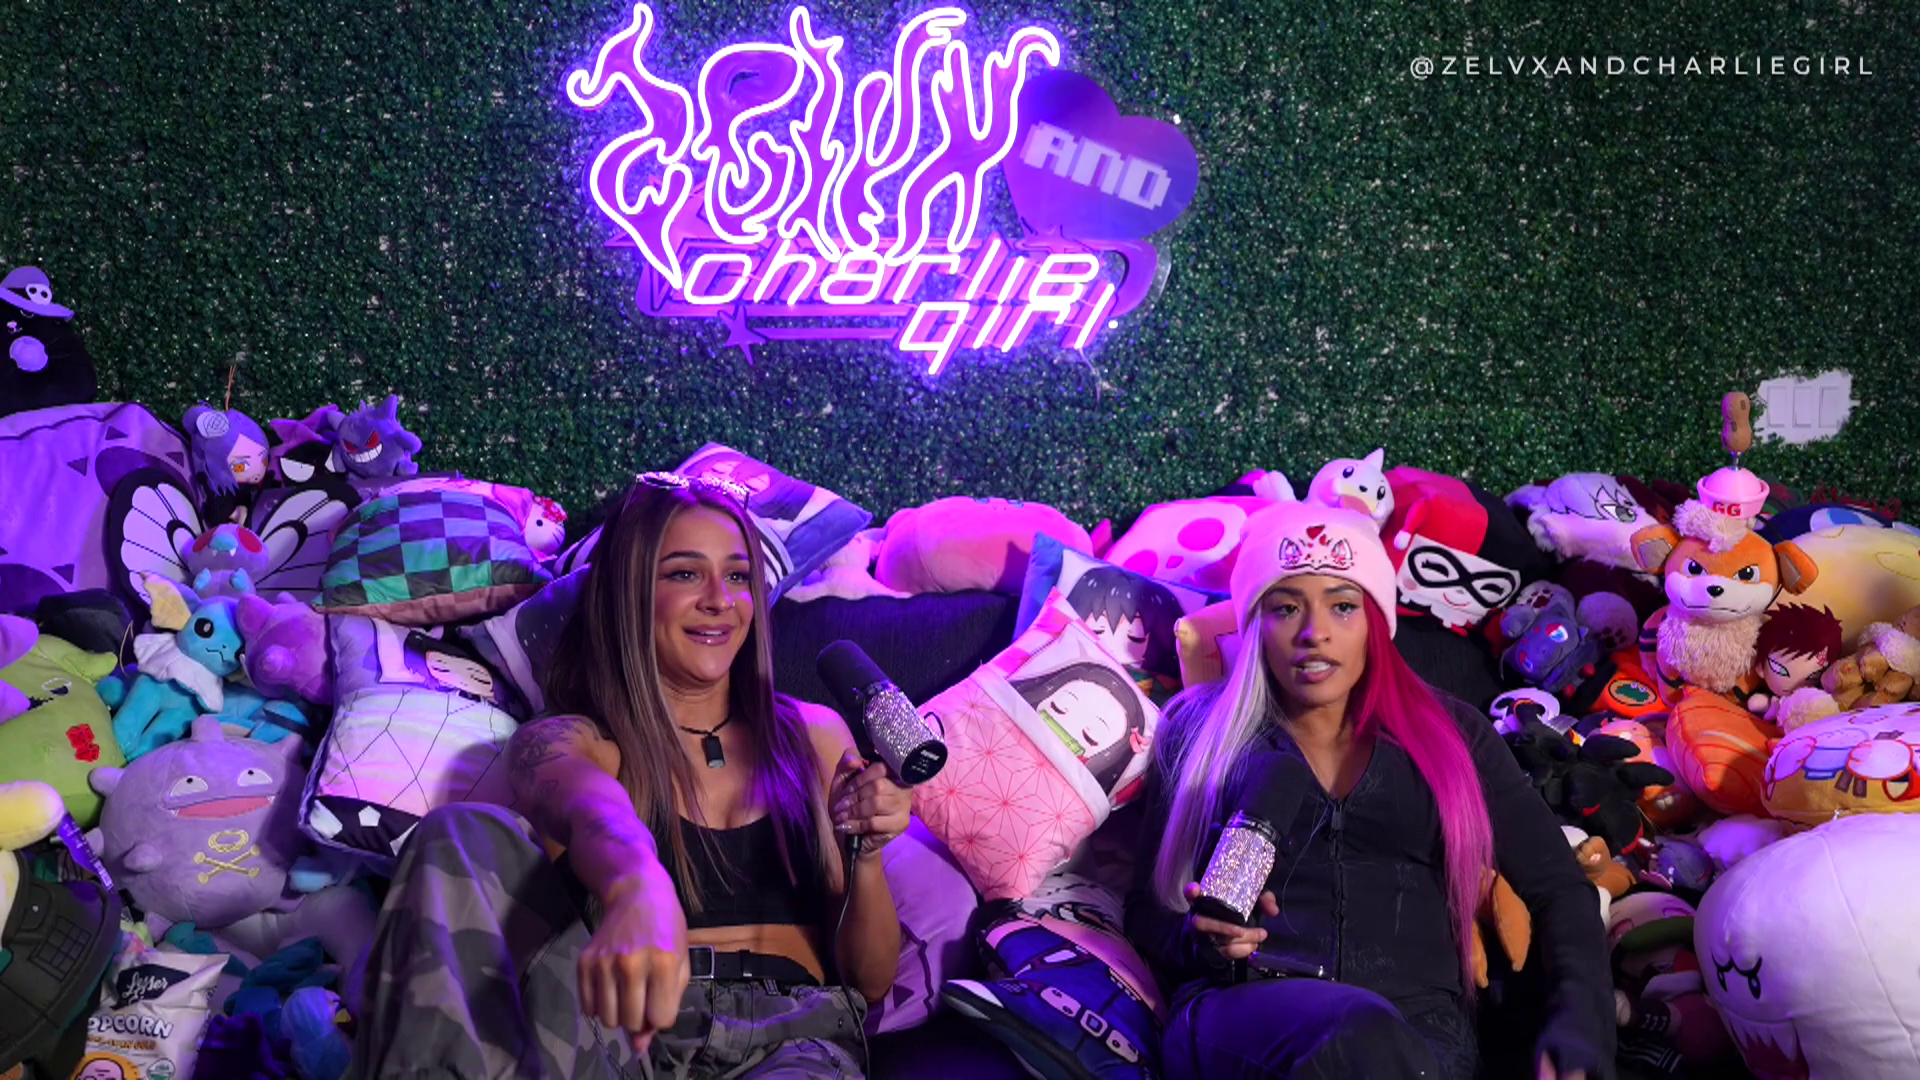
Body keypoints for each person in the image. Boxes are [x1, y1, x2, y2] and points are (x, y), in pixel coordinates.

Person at [351, 472, 909, 1078]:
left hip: (791, 1040)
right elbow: (594, 811)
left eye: (738, 576)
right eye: (685, 574)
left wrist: (868, 854)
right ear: (630, 593)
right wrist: (637, 884)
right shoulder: (573, 741)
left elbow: (870, 981)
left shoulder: (813, 737)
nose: (720, 599)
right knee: (461, 835)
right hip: (623, 1043)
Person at [1125, 502, 1614, 1080]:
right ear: (1255, 624)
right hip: (1242, 1014)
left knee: (1384, 1046)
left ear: (1374, 622)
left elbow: (1559, 888)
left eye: (1342, 605)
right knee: (1361, 1034)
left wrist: (1580, 1026)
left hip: (1423, 1035)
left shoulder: (1454, 734)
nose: (1315, 633)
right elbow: (1147, 914)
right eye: (1286, 608)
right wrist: (1199, 939)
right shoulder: (1199, 732)